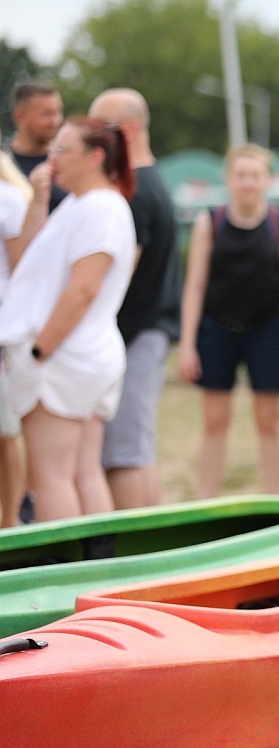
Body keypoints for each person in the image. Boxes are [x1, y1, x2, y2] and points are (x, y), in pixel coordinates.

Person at [0, 117, 136, 521]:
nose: (52, 158)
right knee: (81, 472)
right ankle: (99, 568)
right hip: (80, 354)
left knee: (51, 477)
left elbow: (83, 289)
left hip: (64, 358)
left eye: (63, 149)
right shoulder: (84, 204)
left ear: (95, 157)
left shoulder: (100, 209)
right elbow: (30, 257)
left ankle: (66, 573)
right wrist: (40, 200)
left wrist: (41, 350)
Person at [178, 144, 279, 498]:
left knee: (269, 423)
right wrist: (187, 344)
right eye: (241, 175)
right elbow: (194, 287)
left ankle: (274, 503)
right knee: (214, 422)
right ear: (229, 180)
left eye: (255, 175)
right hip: (217, 329)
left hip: (269, 330)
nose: (248, 182)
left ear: (267, 180)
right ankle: (206, 501)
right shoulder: (211, 222)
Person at [88, 88, 182, 510]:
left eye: (100, 130)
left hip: (136, 335)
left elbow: (116, 278)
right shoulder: (152, 182)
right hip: (148, 333)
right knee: (135, 451)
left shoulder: (137, 191)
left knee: (123, 456)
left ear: (126, 130)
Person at [0, 133, 31, 527]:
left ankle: (10, 521)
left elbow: (23, 272)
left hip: (3, 333)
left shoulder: (8, 199)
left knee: (6, 431)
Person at [7, 81, 67, 212]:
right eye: (47, 114)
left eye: (58, 112)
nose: (55, 121)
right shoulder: (5, 166)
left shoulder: (68, 160)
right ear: (20, 117)